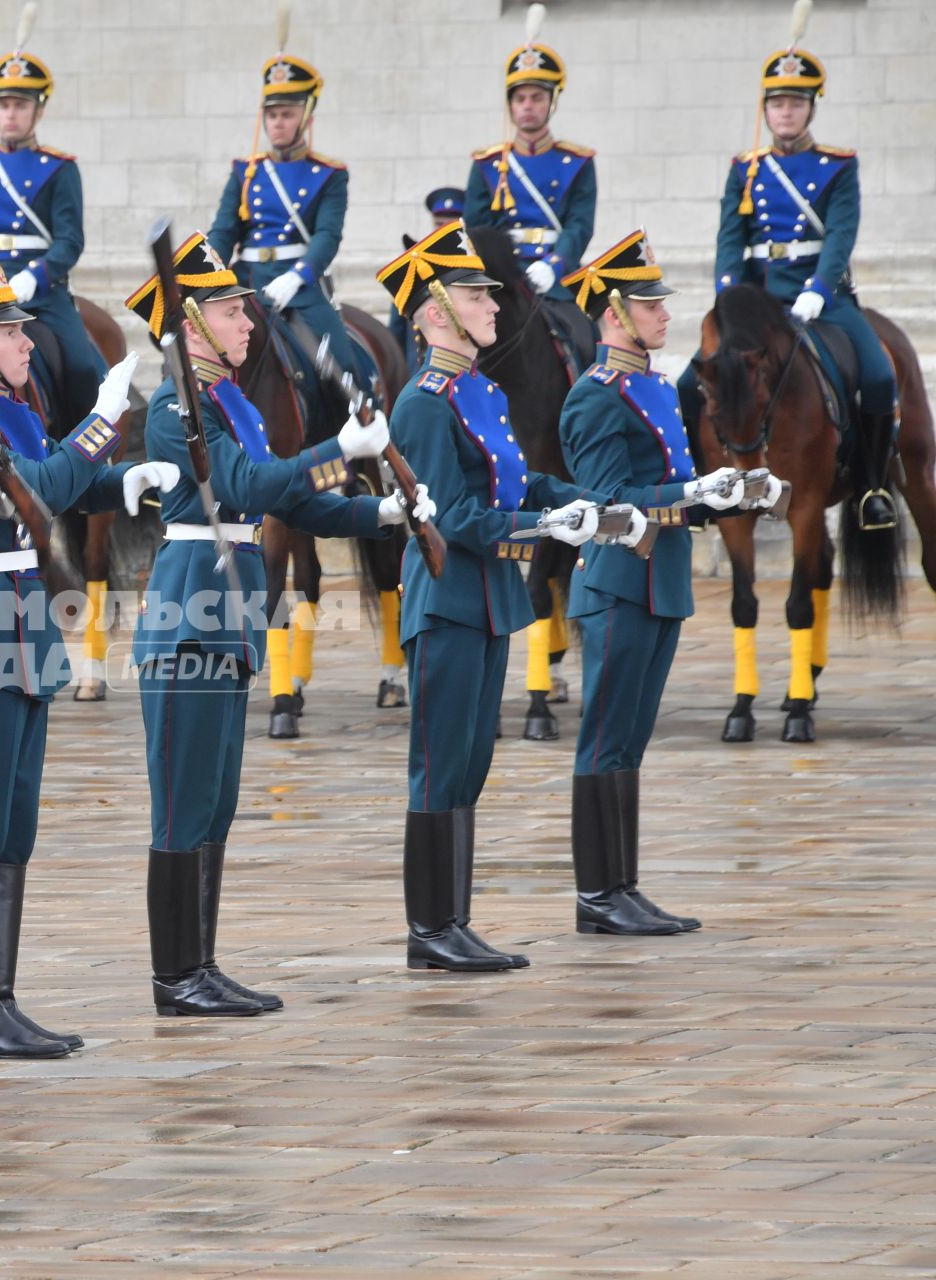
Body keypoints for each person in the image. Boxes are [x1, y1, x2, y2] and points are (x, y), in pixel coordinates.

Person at [126, 232, 430, 1015]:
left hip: (227, 615)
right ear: (191, 326)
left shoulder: (231, 403)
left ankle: (202, 962)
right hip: (191, 608)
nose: (249, 325)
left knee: (216, 799)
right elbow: (244, 482)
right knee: (183, 801)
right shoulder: (173, 407)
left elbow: (288, 500)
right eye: (231, 313)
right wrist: (339, 448)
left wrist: (380, 509)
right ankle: (173, 977)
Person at [0, 247, 169, 1058]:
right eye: (9, 333)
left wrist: (116, 481)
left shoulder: (11, 411)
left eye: (22, 332)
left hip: (23, 629)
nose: (26, 343)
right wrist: (97, 430)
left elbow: (56, 480)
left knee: (14, 828)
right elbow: (37, 488)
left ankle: (1, 999)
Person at [376, 220, 625, 973]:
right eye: (476, 295)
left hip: (487, 600)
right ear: (434, 313)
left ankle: (454, 919)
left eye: (489, 293)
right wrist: (544, 524)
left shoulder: (478, 389)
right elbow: (450, 517)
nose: (493, 306)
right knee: (439, 763)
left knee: (470, 761)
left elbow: (518, 483)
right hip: (447, 597)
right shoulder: (423, 403)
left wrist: (584, 502)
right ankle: (429, 930)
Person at [559, 231, 784, 936]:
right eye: (648, 305)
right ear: (614, 315)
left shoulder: (654, 385)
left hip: (661, 582)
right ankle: (597, 894)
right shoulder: (595, 397)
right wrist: (695, 488)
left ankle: (622, 884)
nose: (663, 316)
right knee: (604, 737)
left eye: (660, 304)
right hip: (621, 583)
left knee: (630, 740)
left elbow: (670, 493)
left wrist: (731, 493)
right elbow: (606, 503)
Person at [677, 3, 896, 530]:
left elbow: (841, 233)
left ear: (811, 109)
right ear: (766, 110)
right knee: (688, 384)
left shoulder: (838, 166)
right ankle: (697, 485)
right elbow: (730, 237)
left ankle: (870, 486)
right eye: (777, 104)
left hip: (824, 300)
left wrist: (821, 287)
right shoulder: (745, 170)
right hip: (758, 307)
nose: (786, 113)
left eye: (796, 103)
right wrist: (728, 295)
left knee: (880, 375)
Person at [0, 4, 107, 429]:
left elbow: (70, 240)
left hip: (41, 291)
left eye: (19, 105)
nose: (9, 113)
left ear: (38, 110)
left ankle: (82, 455)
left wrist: (37, 276)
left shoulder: (60, 168)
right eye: (4, 104)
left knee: (84, 368)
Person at [206, 39, 376, 395]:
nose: (278, 123)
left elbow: (327, 236)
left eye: (286, 114)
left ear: (306, 116)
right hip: (245, 278)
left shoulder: (329, 174)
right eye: (272, 114)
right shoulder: (245, 172)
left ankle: (358, 437)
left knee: (342, 369)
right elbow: (223, 230)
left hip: (298, 285)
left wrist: (298, 277)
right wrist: (209, 272)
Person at [463, 4, 594, 304]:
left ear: (552, 102)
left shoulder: (578, 163)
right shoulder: (488, 164)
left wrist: (554, 265)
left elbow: (580, 225)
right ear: (510, 105)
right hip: (501, 278)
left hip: (555, 278)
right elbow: (478, 228)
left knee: (585, 339)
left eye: (537, 97)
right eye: (520, 98)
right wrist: (501, 270)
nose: (527, 105)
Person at [388, 187, 465, 358]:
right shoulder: (414, 264)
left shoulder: (474, 264)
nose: (443, 230)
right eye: (439, 224)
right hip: (418, 368)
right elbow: (397, 328)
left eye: (450, 224)